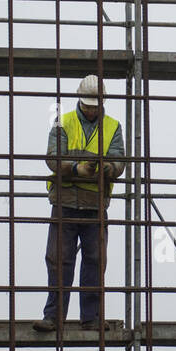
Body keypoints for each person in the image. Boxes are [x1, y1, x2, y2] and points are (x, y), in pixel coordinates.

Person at [33, 75, 125, 333]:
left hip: (95, 205)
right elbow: (53, 158)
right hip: (65, 202)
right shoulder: (64, 122)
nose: (91, 109)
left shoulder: (112, 127)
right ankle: (54, 317)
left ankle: (92, 318)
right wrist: (76, 168)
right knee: (58, 259)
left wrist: (105, 168)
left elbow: (120, 161)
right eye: (87, 105)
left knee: (95, 260)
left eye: (95, 105)